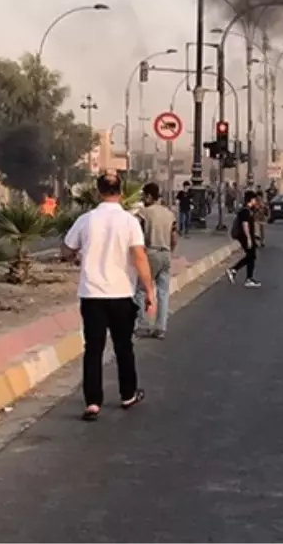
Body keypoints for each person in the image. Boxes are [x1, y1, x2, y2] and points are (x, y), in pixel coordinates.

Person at [61, 171, 154, 421]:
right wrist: (150, 291)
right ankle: (127, 394)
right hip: (121, 293)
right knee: (124, 346)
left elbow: (67, 248)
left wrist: (76, 255)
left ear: (97, 192)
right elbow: (139, 256)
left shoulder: (86, 219)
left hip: (91, 294)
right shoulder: (129, 221)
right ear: (121, 192)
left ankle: (92, 402)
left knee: (93, 349)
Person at [134, 182, 176, 340]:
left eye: (144, 196)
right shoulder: (169, 213)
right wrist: (170, 250)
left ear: (149, 196)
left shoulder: (144, 213)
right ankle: (161, 327)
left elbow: (136, 234)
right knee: (163, 292)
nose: (143, 199)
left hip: (150, 253)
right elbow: (174, 237)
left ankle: (144, 325)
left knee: (140, 290)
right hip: (165, 253)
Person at [226, 190, 261, 288]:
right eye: (254, 199)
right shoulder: (245, 211)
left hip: (247, 236)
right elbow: (245, 225)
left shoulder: (248, 210)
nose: (256, 201)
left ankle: (246, 277)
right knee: (251, 255)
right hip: (244, 236)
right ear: (251, 200)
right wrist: (249, 238)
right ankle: (235, 270)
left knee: (251, 256)